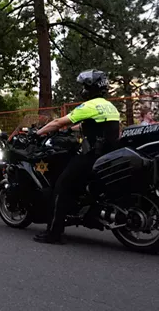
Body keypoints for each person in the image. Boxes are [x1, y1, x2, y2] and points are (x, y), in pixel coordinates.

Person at [33, 70, 120, 244]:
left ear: (89, 88)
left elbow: (59, 122)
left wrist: (38, 132)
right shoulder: (110, 107)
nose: (82, 90)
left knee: (62, 186)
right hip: (109, 156)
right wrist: (70, 130)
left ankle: (54, 233)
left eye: (84, 86)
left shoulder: (89, 106)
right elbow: (94, 126)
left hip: (92, 157)